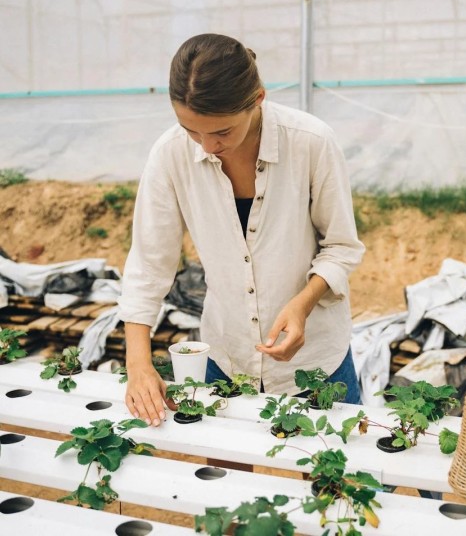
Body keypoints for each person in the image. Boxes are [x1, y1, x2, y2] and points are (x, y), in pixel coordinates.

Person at [118, 33, 365, 426]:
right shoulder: (170, 154)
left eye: (222, 132)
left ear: (258, 100)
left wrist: (302, 304)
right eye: (190, 129)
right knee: (222, 478)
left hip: (317, 357)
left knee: (334, 478)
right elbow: (149, 265)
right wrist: (139, 365)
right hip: (225, 354)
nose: (206, 145)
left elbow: (341, 247)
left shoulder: (311, 142)